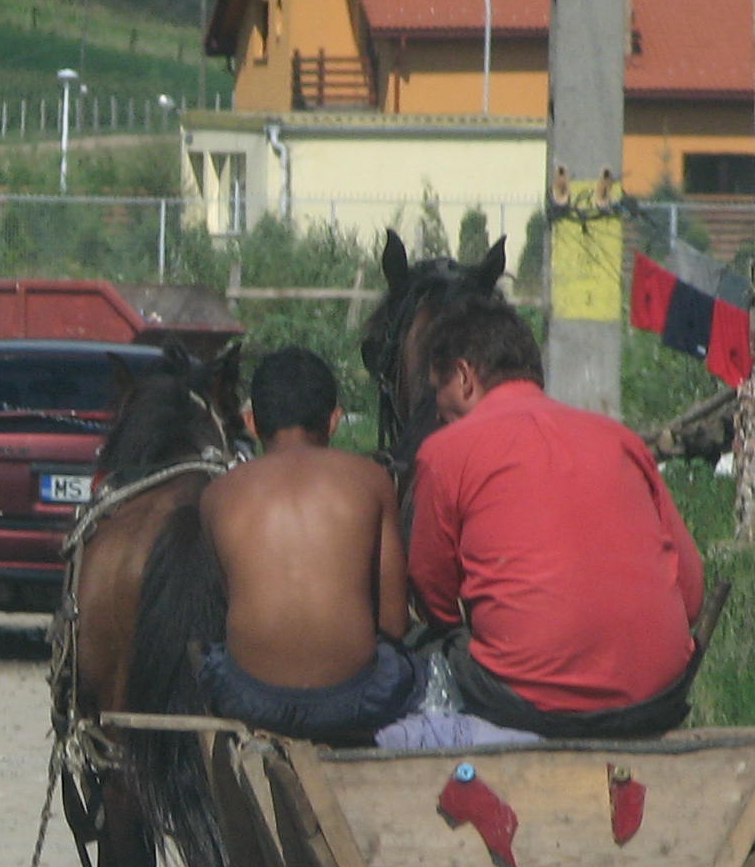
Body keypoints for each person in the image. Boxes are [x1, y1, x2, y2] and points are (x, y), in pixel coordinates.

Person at [404, 297, 705, 737]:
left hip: (529, 700)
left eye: (439, 390)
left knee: (416, 650)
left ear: (466, 377)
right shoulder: (619, 440)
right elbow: (691, 594)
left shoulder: (445, 452)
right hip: (658, 696)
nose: (437, 410)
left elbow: (434, 598)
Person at [194, 347, 416, 745]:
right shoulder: (372, 480)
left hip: (249, 700)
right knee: (410, 665)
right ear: (333, 421)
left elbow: (222, 611)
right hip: (354, 702)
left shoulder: (217, 494)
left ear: (251, 421)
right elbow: (394, 623)